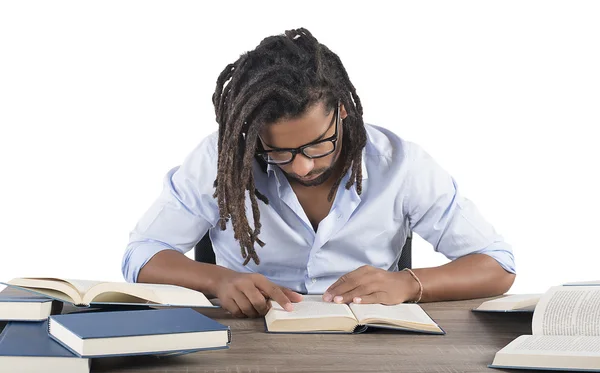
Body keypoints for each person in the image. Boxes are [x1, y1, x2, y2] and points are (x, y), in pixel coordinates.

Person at [122, 28, 515, 318]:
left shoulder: (401, 164)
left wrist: (409, 283)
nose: (302, 166)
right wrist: (216, 280)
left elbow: (497, 265)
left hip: (372, 344)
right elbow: (141, 254)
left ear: (342, 112)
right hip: (247, 341)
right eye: (278, 151)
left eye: (316, 145)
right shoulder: (219, 158)